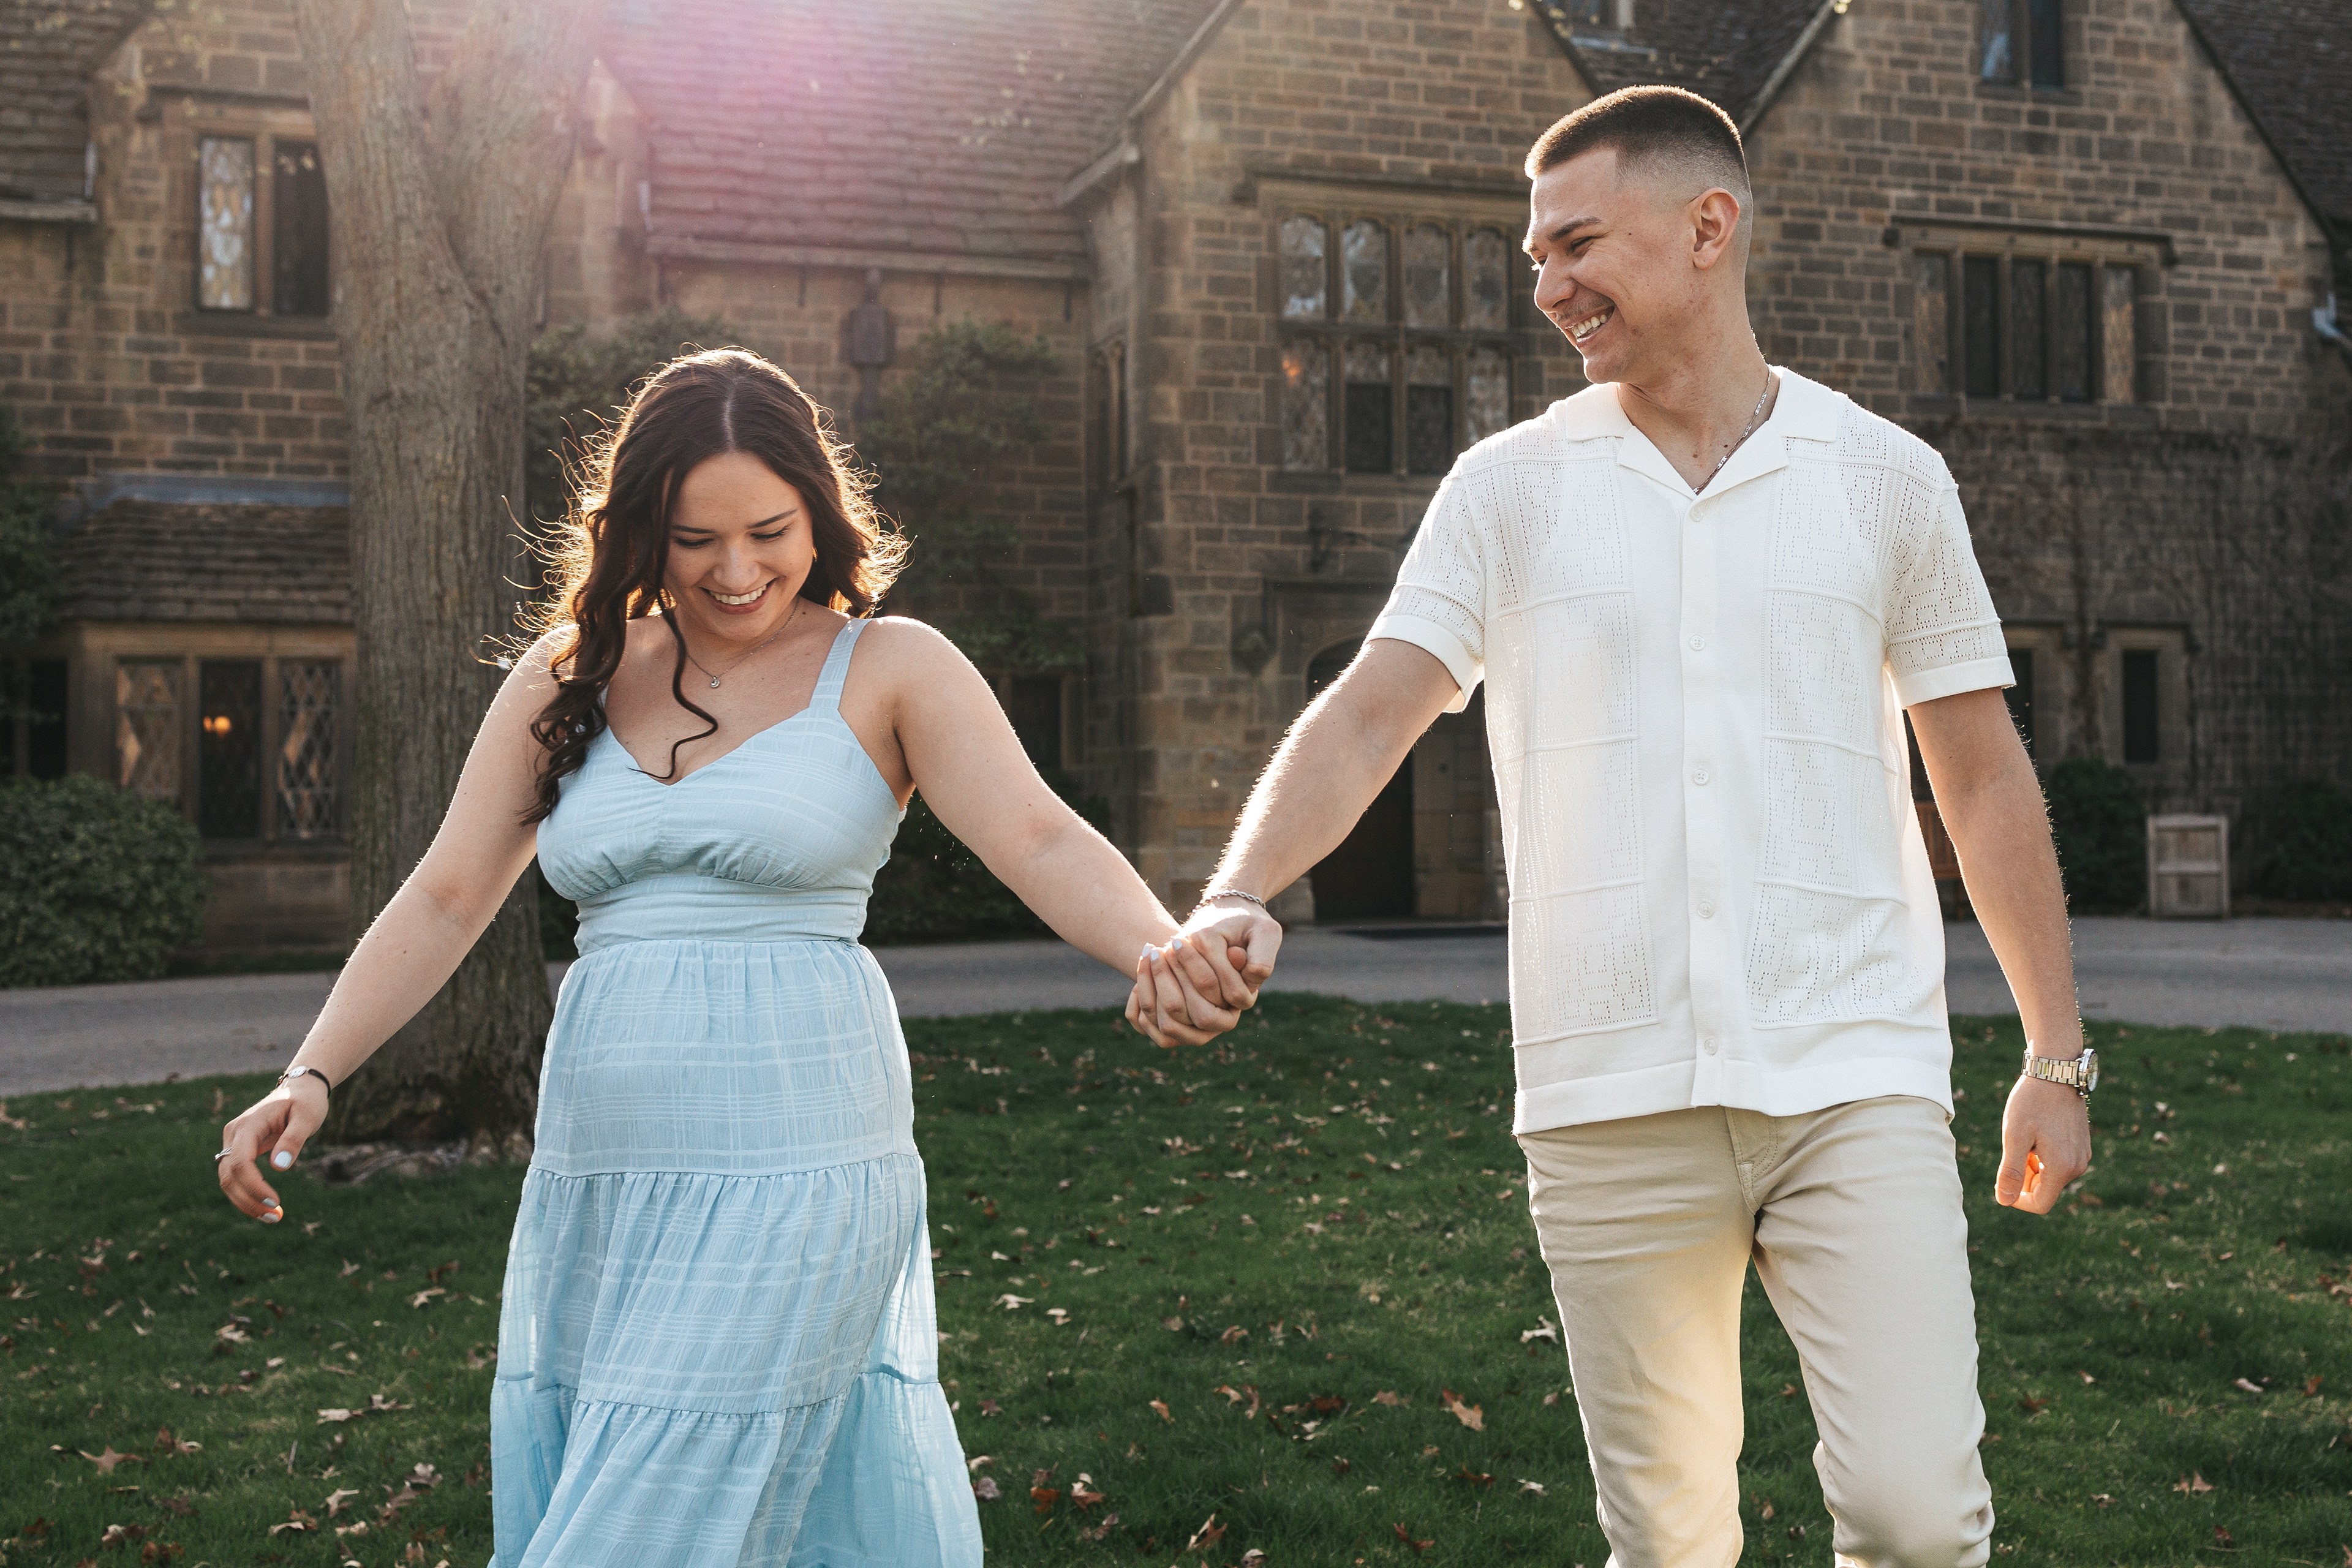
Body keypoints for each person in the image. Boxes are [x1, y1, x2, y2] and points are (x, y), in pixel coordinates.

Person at [1137, 86, 2095, 1567]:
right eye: (1535, 256)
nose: (1547, 285)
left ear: (1710, 227)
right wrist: (1238, 887)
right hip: (1608, 1098)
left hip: (1855, 1076)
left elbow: (1978, 775)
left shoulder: (1889, 481)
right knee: (1667, 1539)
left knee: (1916, 1513)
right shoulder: (1506, 491)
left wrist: (2053, 1053)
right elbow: (1370, 712)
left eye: (1577, 243)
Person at [213, 349, 1254, 1567]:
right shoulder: (571, 673)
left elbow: (1038, 835)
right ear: (640, 532)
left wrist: (1161, 948)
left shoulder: (892, 665)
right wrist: (313, 1072)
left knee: (643, 1525)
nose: (737, 570)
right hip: (610, 1174)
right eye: (695, 539)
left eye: (769, 532)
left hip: (802, 1155)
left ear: (820, 513)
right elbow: (446, 895)